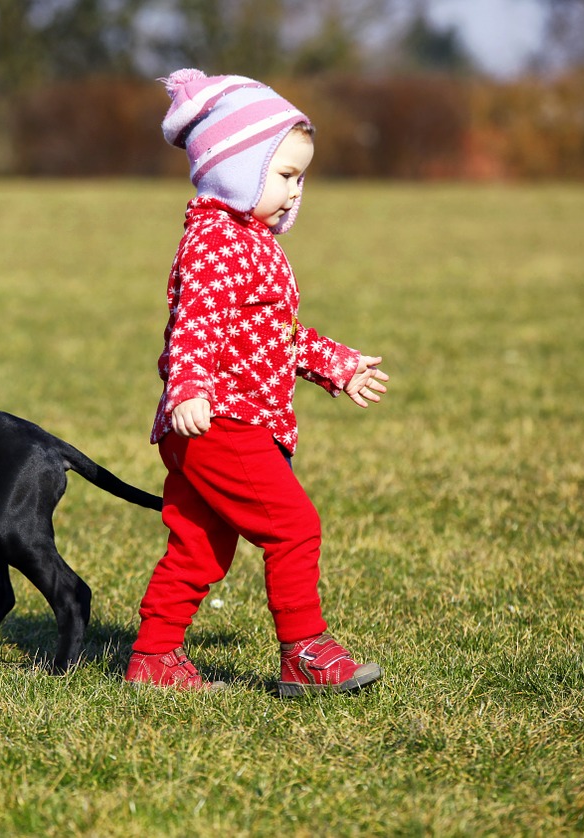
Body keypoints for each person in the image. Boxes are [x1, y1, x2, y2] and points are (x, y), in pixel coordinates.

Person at [124, 69, 390, 695]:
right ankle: (305, 651)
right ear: (237, 169)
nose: (296, 192)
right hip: (221, 421)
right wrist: (189, 388)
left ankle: (153, 658)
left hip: (230, 421)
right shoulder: (216, 242)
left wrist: (337, 365)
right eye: (285, 175)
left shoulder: (253, 241)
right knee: (294, 526)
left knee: (199, 546)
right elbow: (197, 321)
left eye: (303, 178)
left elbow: (280, 333)